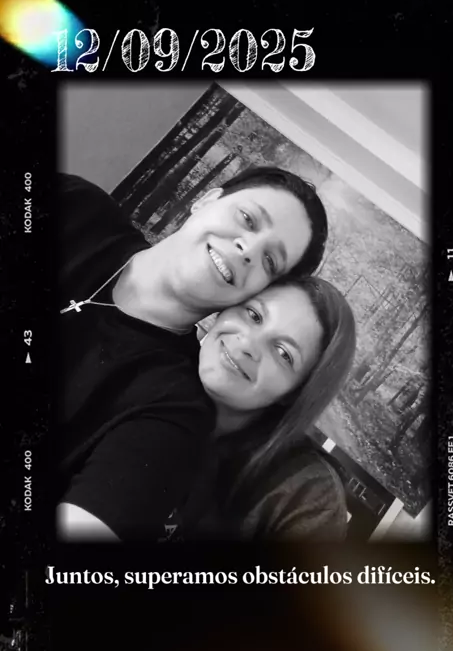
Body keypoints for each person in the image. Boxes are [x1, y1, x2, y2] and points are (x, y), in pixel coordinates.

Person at [56, 166, 329, 541]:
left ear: (258, 291)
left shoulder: (176, 411)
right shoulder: (77, 206)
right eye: (247, 218)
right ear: (205, 200)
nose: (248, 250)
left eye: (270, 261)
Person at [174, 275, 357, 541]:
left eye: (284, 354)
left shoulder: (308, 493)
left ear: (294, 393)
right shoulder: (152, 366)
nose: (248, 344)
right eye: (254, 315)